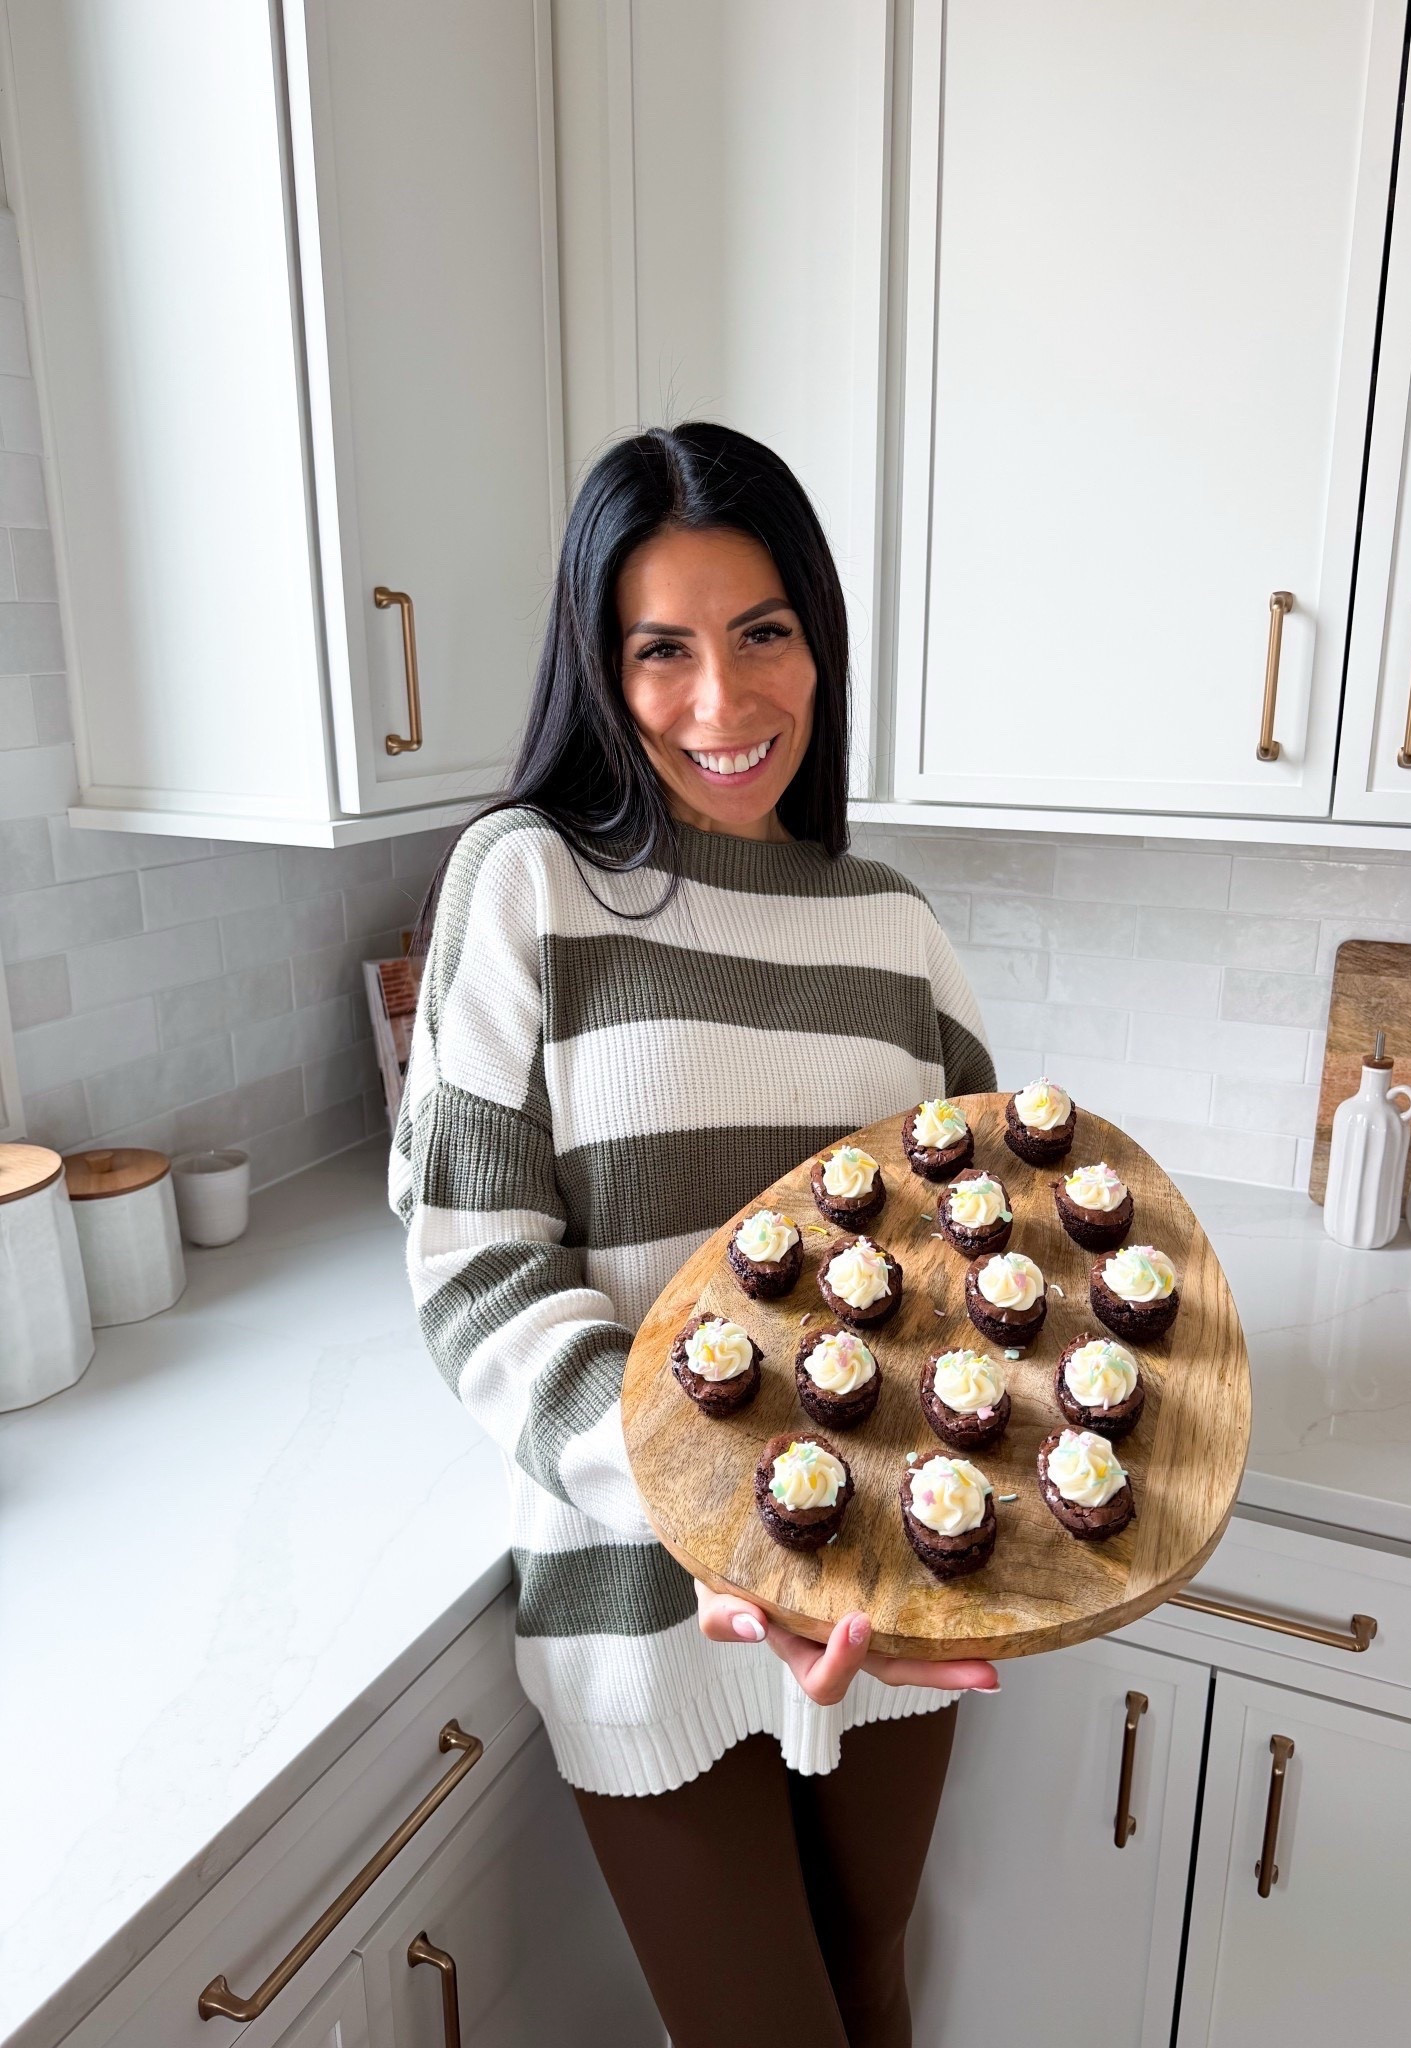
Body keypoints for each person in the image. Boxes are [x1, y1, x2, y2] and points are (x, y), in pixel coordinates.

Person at [390, 422, 1000, 2048]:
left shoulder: (896, 930)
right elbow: (477, 1266)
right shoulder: (527, 885)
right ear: (599, 665)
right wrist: (722, 1517)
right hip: (644, 1602)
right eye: (660, 649)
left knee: (876, 1986)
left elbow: (974, 1271)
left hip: (880, 1592)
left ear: (821, 641)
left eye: (763, 634)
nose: (722, 705)